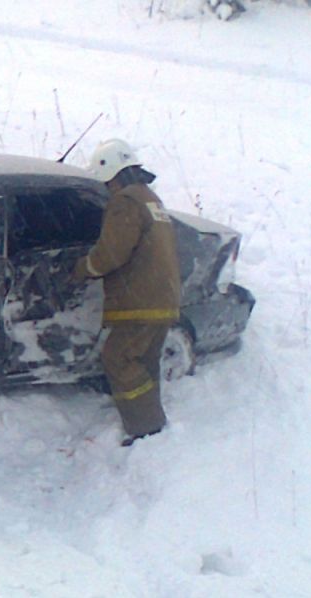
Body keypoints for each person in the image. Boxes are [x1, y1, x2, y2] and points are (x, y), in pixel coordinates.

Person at [73, 139, 182, 446]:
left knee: (118, 358)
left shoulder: (126, 202)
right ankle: (152, 427)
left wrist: (83, 268)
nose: (108, 189)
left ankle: (145, 429)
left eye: (107, 183)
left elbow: (111, 252)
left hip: (140, 301)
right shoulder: (151, 199)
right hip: (162, 298)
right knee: (144, 362)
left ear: (115, 175)